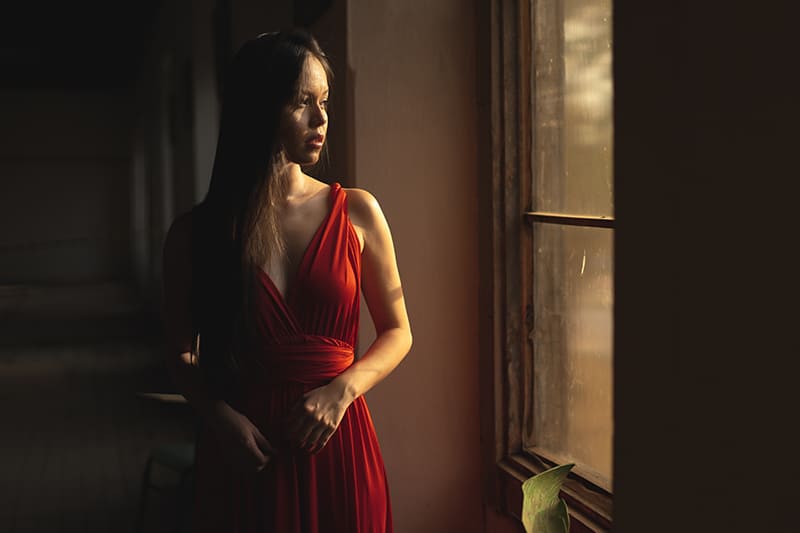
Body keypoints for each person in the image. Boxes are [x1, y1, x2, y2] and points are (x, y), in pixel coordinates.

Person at [161, 29, 412, 532]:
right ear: (259, 108)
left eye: (324, 102)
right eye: (302, 103)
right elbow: (180, 353)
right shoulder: (197, 234)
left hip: (338, 443)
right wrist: (218, 418)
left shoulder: (357, 212)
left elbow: (398, 331)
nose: (321, 119)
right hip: (245, 451)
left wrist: (342, 391)